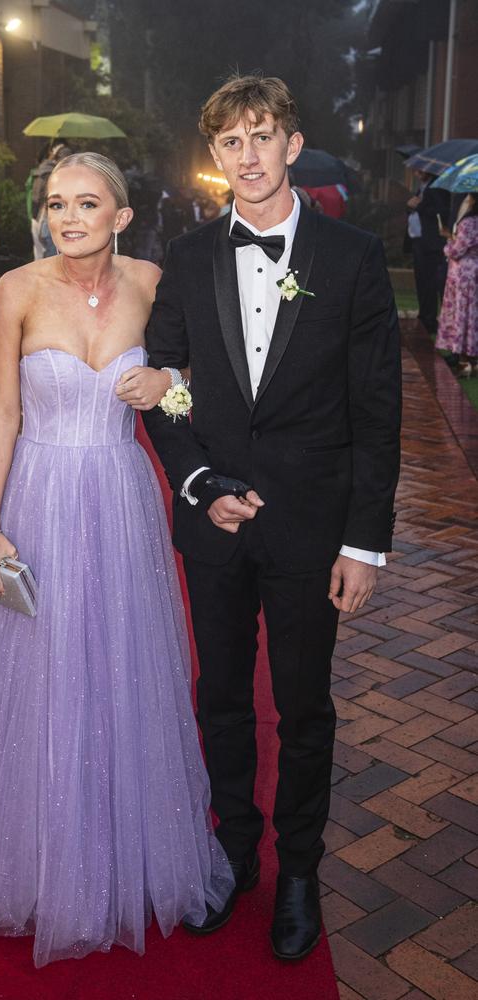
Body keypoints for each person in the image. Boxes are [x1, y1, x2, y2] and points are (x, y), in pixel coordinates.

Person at [0, 152, 234, 967]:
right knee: (44, 675)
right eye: (56, 203)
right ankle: (40, 864)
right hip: (40, 496)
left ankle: (123, 855)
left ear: (121, 216)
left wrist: (166, 380)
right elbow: (3, 416)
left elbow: (195, 389)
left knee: (122, 670)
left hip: (123, 495)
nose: (66, 218)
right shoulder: (16, 291)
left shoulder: (152, 283)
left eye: (86, 203)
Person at [142, 74, 401, 961]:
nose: (246, 157)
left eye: (261, 137)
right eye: (229, 143)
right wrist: (200, 482)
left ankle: (298, 872)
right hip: (214, 528)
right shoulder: (187, 256)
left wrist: (364, 543)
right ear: (214, 158)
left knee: (302, 707)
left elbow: (376, 411)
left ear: (292, 144)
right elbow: (165, 391)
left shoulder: (356, 257)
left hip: (310, 527)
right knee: (218, 697)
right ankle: (232, 856)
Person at [436, 192, 478, 376]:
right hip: (473, 272)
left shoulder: (468, 223)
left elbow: (456, 250)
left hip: (463, 274)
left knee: (462, 314)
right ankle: (472, 359)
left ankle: (462, 360)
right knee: (472, 315)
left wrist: (447, 238)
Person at [407, 169, 451, 335]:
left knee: (431, 282)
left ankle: (430, 320)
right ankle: (424, 316)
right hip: (419, 241)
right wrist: (411, 206)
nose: (417, 174)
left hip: (432, 244)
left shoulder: (436, 187)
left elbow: (441, 211)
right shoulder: (422, 187)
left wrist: (419, 206)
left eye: (420, 170)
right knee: (422, 281)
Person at [27, 142, 72, 259]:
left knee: (40, 256)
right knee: (52, 258)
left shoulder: (39, 171)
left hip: (36, 217)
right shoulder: (54, 174)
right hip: (48, 218)